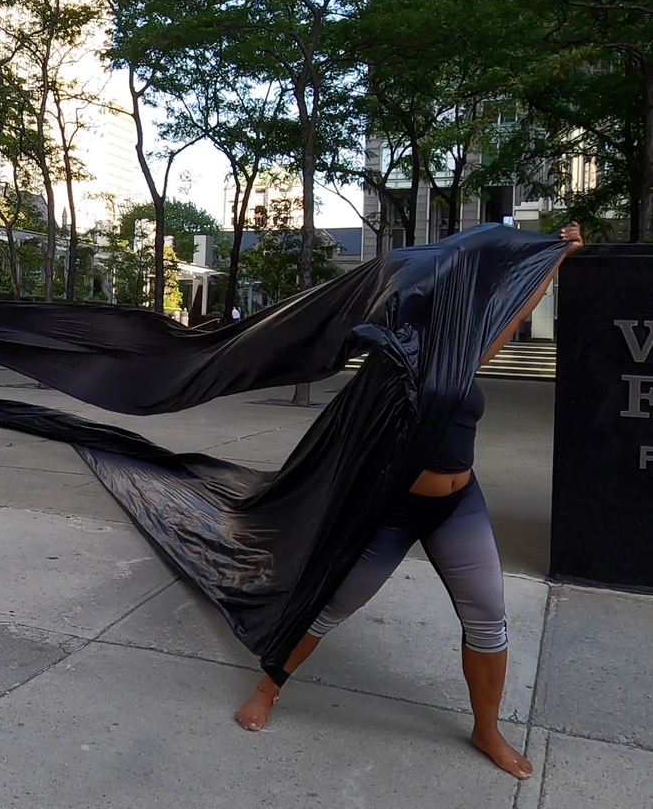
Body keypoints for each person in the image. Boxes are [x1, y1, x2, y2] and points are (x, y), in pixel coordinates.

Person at [235, 223, 584, 780]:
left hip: (458, 506)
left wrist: (557, 256)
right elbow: (349, 436)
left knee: (488, 617)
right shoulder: (391, 359)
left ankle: (487, 729)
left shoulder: (464, 352)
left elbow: (518, 308)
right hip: (393, 510)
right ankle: (268, 688)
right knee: (333, 604)